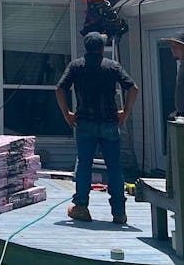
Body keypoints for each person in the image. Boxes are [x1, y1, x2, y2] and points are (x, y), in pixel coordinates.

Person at [56, 32, 139, 224]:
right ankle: (119, 212)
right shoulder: (112, 66)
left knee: (84, 164)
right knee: (114, 167)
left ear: (86, 48)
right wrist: (125, 113)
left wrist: (67, 113)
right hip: (109, 122)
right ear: (102, 48)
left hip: (84, 122)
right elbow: (133, 89)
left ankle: (81, 207)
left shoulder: (76, 66)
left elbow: (60, 89)